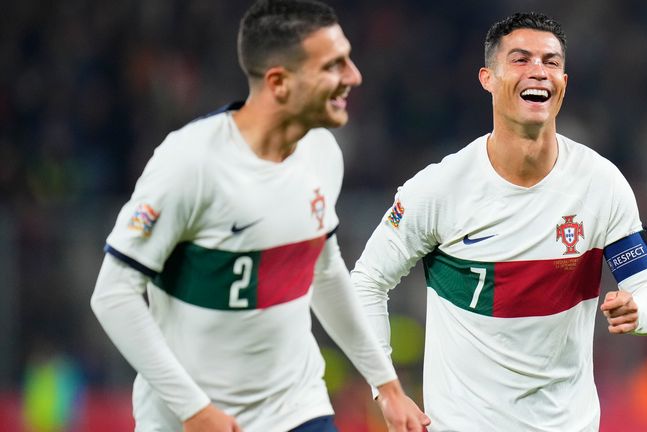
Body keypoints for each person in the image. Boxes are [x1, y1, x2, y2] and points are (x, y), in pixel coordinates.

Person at [90, 0, 430, 431]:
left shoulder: (323, 153)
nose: (353, 76)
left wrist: (387, 386)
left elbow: (323, 273)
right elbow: (113, 295)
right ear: (279, 82)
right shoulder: (190, 163)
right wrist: (194, 409)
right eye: (334, 65)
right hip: (190, 418)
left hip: (297, 409)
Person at [351, 12, 647, 432]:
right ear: (487, 77)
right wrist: (387, 390)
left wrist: (639, 311)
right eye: (521, 59)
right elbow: (366, 282)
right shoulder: (440, 189)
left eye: (551, 61)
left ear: (564, 82)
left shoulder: (601, 185)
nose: (538, 71)